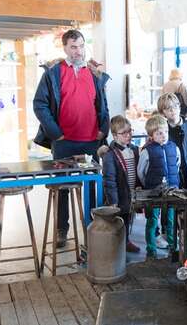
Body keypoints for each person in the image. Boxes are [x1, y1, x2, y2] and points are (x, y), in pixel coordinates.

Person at [33, 29, 110, 248]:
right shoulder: (53, 73)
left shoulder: (95, 74)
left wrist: (103, 130)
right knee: (63, 188)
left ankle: (95, 228)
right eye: (73, 47)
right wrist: (56, 133)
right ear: (65, 47)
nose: (78, 51)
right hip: (64, 142)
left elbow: (103, 103)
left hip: (91, 141)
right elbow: (40, 104)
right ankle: (62, 230)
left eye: (81, 46)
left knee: (93, 187)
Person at [137, 115, 181, 259]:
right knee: (152, 220)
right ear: (151, 136)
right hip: (153, 192)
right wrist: (149, 186)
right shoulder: (146, 151)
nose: (163, 136)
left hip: (172, 190)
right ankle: (151, 250)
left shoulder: (174, 148)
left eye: (165, 132)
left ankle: (173, 247)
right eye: (158, 133)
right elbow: (141, 172)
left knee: (171, 220)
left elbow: (177, 165)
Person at [99, 115, 141, 253]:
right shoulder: (110, 155)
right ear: (115, 136)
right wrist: (113, 200)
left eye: (130, 131)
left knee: (128, 217)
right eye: (124, 133)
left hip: (131, 192)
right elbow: (109, 180)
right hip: (119, 193)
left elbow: (139, 170)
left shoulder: (134, 150)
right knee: (120, 220)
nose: (128, 135)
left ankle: (126, 241)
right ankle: (118, 244)